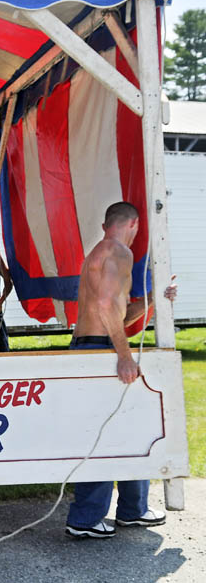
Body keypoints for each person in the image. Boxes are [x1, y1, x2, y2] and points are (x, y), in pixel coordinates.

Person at [65, 201, 177, 539]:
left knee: (127, 428)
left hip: (91, 344)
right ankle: (86, 519)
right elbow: (105, 306)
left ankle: (133, 509)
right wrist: (124, 354)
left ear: (106, 224)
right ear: (135, 224)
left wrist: (155, 298)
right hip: (101, 349)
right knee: (110, 434)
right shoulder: (118, 252)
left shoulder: (100, 251)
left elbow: (115, 311)